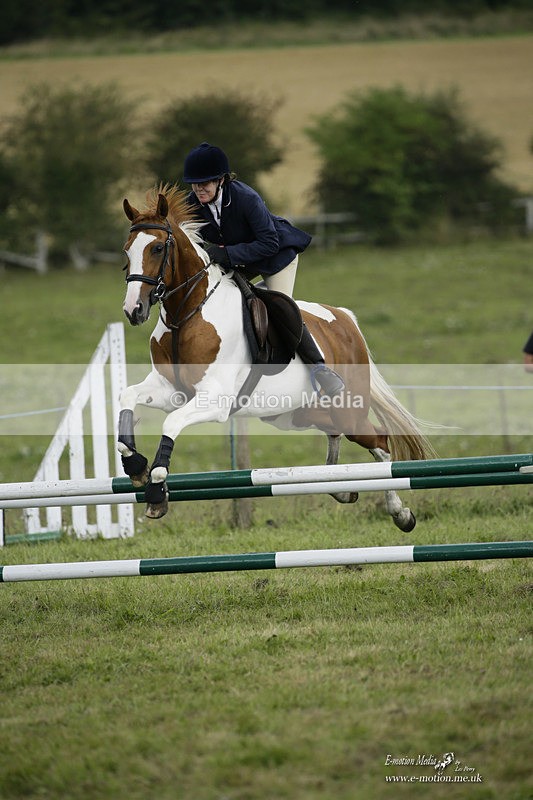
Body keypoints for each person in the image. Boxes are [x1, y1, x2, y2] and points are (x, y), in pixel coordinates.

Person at [183, 142, 345, 399]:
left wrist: (227, 254)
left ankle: (320, 369)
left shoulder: (246, 198)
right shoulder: (192, 204)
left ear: (221, 180)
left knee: (280, 307)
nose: (199, 188)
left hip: (276, 257)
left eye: (205, 183)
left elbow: (269, 243)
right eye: (194, 183)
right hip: (241, 261)